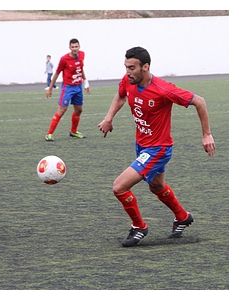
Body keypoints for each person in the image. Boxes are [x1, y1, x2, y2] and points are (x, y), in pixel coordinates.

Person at [97, 47, 215, 247]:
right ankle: (182, 216)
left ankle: (139, 227)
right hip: (142, 145)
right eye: (126, 67)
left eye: (132, 67)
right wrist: (109, 118)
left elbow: (199, 101)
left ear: (145, 67)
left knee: (119, 187)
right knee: (157, 186)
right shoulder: (128, 80)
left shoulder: (163, 89)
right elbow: (121, 96)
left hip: (158, 149)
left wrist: (206, 134)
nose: (128, 72)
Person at [45, 38, 90, 141]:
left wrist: (86, 82)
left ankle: (73, 132)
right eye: (73, 47)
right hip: (68, 88)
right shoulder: (64, 59)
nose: (75, 48)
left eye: (76, 46)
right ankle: (49, 134)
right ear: (69, 47)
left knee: (79, 110)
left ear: (79, 47)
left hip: (78, 87)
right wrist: (50, 88)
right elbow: (57, 73)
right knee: (62, 110)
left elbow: (81, 68)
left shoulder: (82, 55)